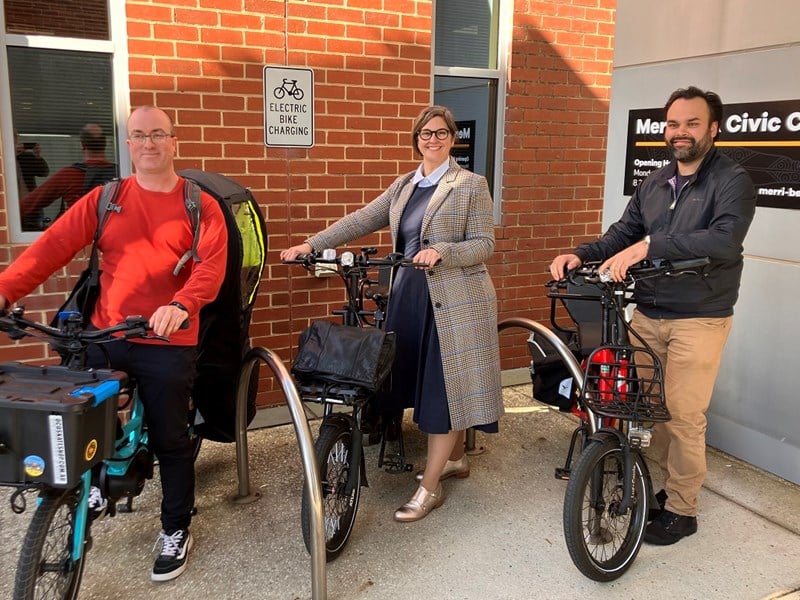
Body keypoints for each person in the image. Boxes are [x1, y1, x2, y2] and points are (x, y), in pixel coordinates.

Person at [0, 106, 228, 581]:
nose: (149, 144)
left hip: (168, 337)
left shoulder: (199, 204)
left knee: (170, 438)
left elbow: (209, 267)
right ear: (128, 143)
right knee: (82, 419)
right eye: (139, 135)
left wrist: (182, 304)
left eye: (158, 135)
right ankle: (96, 482)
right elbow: (48, 250)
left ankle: (175, 527)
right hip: (106, 332)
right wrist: (4, 291)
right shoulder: (106, 199)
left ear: (173, 141)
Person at [549, 86, 756, 545]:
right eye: (673, 124)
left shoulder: (732, 180)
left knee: (682, 414)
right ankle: (666, 489)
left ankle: (683, 510)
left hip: (699, 317)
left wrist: (651, 246)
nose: (680, 132)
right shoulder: (656, 181)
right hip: (647, 313)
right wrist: (579, 254)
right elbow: (624, 232)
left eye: (691, 123)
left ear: (713, 129)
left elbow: (724, 241)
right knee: (651, 410)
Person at [281, 105, 504, 523]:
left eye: (441, 133)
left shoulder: (470, 184)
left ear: (453, 138)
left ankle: (429, 488)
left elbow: (484, 244)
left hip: (454, 302)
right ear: (416, 139)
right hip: (409, 297)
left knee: (442, 389)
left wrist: (444, 251)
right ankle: (455, 458)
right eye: (425, 133)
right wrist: (310, 244)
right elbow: (362, 219)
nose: (432, 140)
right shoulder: (405, 185)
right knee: (415, 380)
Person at [20, 123, 117, 230]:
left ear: (82, 145)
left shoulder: (70, 175)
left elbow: (26, 206)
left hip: (81, 240)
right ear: (105, 144)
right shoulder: (121, 173)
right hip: (116, 238)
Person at [15, 131, 50, 230]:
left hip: (32, 204)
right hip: (14, 206)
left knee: (37, 231)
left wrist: (37, 156)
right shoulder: (5, 159)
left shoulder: (26, 157)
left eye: (16, 137)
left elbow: (44, 172)